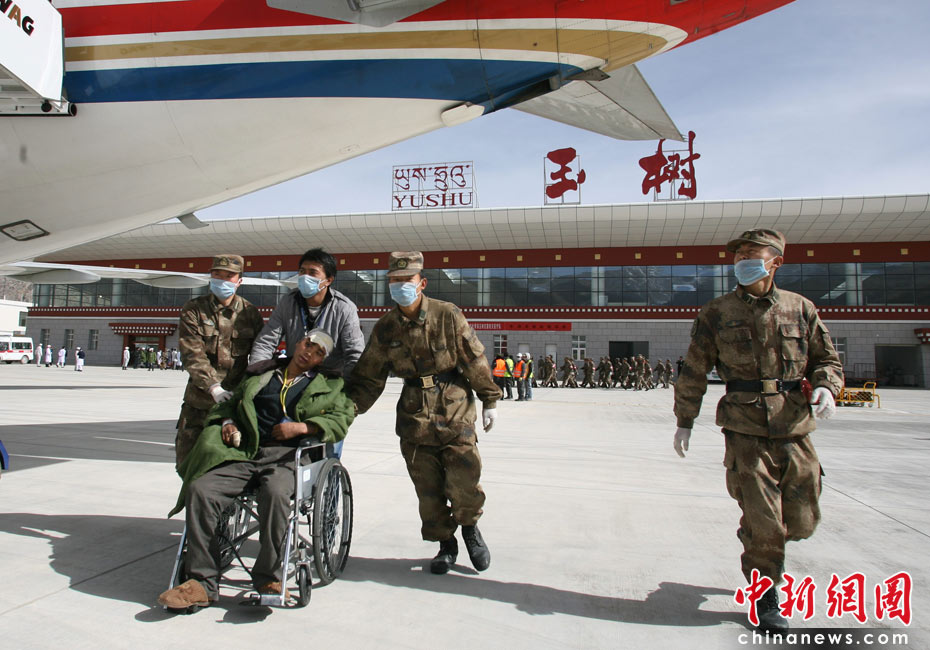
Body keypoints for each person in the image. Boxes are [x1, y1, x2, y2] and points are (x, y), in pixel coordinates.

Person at [673, 228, 843, 632]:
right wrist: (684, 421)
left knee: (801, 520)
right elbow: (694, 369)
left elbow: (826, 360)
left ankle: (757, 537)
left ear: (775, 262)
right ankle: (765, 594)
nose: (742, 261)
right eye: (738, 255)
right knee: (764, 519)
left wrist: (826, 386)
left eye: (752, 254)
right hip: (744, 427)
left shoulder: (800, 308)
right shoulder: (716, 313)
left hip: (794, 424)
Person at [158, 330, 354, 611]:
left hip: (286, 458)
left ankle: (268, 578)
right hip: (244, 452)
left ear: (321, 361)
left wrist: (303, 427)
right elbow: (229, 405)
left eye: (318, 352)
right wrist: (228, 422)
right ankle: (201, 582)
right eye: (307, 344)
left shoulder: (330, 386)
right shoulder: (261, 375)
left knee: (275, 494)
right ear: (298, 343)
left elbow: (341, 419)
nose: (309, 352)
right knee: (200, 489)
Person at [347, 251, 501, 575]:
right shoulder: (386, 328)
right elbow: (369, 377)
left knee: (464, 477)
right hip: (414, 415)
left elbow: (473, 357)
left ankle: (470, 528)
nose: (400, 285)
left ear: (422, 283)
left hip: (455, 406)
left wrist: (490, 398)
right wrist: (346, 411)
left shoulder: (447, 314)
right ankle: (446, 544)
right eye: (394, 280)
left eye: (407, 279)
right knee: (428, 490)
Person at [176, 254, 264, 467]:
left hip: (235, 404)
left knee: (230, 467)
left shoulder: (250, 313)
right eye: (217, 274)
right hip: (199, 402)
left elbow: (260, 355)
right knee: (187, 463)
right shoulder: (194, 309)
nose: (222, 280)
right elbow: (192, 353)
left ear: (239, 281)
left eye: (228, 276)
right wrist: (213, 387)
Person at [250, 248, 364, 379]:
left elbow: (355, 354)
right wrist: (255, 376)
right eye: (302, 271)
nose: (305, 277)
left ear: (328, 280)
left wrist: (346, 387)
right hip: (292, 377)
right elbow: (265, 342)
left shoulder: (345, 309)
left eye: (312, 273)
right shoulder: (288, 302)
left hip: (328, 380)